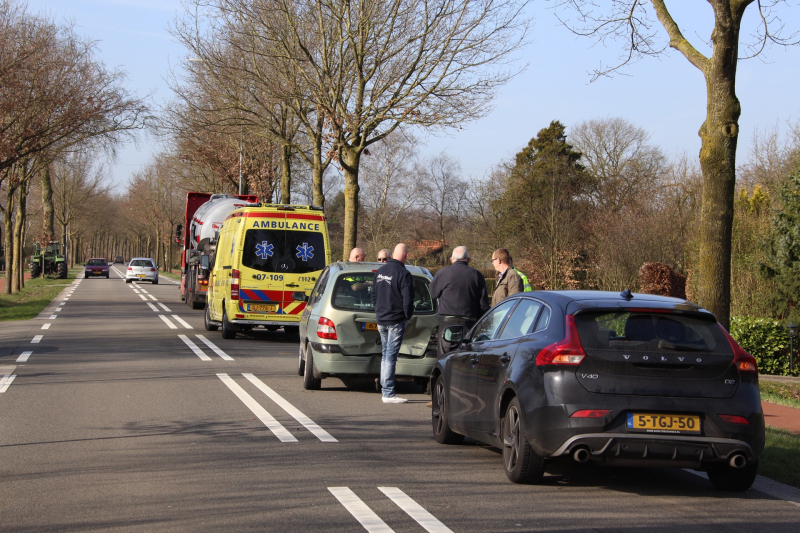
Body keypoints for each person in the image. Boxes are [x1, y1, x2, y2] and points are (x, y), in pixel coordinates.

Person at [371, 243, 414, 404]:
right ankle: (388, 392)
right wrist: (407, 316)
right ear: (406, 255)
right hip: (396, 320)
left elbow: (373, 295)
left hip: (381, 319)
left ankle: (385, 389)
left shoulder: (380, 271)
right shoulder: (403, 273)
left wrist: (379, 311)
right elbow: (408, 300)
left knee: (385, 354)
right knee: (390, 356)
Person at [429, 246, 489, 358]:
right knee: (465, 358)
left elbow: (433, 294)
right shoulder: (477, 275)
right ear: (468, 259)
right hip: (469, 323)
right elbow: (484, 305)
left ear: (451, 259)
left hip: (447, 322)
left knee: (444, 359)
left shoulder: (443, 273)